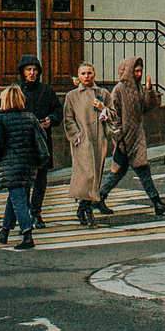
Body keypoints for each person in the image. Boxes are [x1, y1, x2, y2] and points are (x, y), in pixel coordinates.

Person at [101, 55, 165, 216]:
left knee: (142, 170)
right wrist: (118, 134)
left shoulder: (139, 88)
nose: (139, 74)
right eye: (136, 71)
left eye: (140, 71)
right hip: (125, 138)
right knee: (119, 171)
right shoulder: (119, 89)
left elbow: (148, 106)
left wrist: (149, 89)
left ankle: (156, 202)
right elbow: (114, 112)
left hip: (137, 136)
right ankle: (100, 196)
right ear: (128, 71)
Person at [0, 84, 47, 249]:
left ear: (5, 100)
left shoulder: (0, 119)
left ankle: (27, 234)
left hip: (11, 165)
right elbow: (41, 137)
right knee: (15, 197)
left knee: (19, 200)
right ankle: (5, 231)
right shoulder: (30, 117)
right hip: (29, 166)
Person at [63, 62, 111, 228]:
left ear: (94, 74)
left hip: (99, 139)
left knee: (95, 174)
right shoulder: (72, 96)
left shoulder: (102, 93)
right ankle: (88, 211)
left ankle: (82, 207)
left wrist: (104, 108)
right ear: (79, 76)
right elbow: (68, 118)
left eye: (89, 73)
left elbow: (114, 113)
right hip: (82, 141)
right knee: (87, 175)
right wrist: (76, 135)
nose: (86, 76)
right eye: (83, 73)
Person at [15, 54, 61, 225]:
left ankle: (36, 212)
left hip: (42, 142)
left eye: (35, 70)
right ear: (22, 72)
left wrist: (51, 120)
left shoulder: (46, 91)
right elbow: (2, 112)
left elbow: (58, 111)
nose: (32, 73)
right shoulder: (16, 90)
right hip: (22, 142)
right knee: (24, 180)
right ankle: (23, 213)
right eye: (28, 70)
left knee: (41, 180)